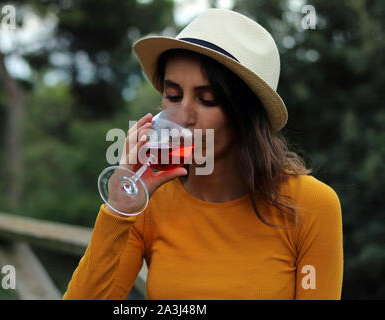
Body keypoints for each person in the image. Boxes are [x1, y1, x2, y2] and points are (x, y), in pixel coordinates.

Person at [63, 8, 343, 300]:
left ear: (246, 116)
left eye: (206, 99)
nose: (182, 116)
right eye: (172, 96)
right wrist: (120, 207)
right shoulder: (149, 203)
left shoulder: (311, 206)